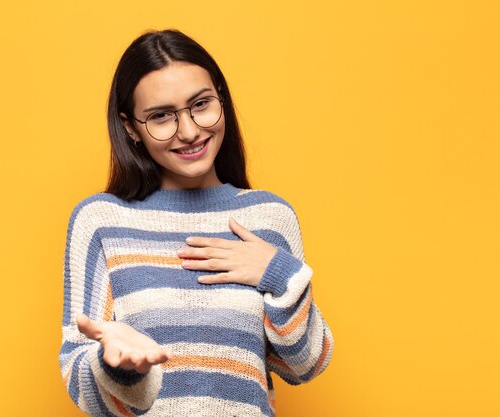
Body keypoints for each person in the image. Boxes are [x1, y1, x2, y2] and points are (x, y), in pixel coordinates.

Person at [59, 28, 334, 417]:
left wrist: (279, 273)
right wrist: (117, 367)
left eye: (201, 105)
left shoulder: (269, 217)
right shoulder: (101, 220)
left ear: (221, 98)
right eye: (160, 116)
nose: (189, 131)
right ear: (130, 127)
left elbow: (304, 364)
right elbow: (82, 386)